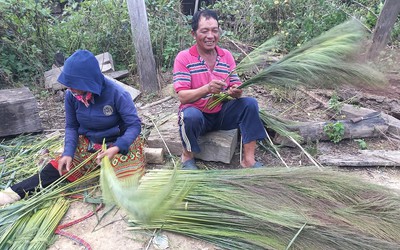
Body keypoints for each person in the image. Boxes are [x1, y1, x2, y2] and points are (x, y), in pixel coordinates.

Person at [0, 49, 145, 206]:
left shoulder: (117, 93)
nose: (69, 88)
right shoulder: (72, 96)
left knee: (123, 182)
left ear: (88, 81)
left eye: (74, 84)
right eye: (68, 84)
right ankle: (13, 193)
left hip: (118, 144)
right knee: (60, 166)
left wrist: (116, 147)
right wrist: (68, 152)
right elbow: (71, 127)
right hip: (89, 145)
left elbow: (134, 125)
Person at [173, 9, 266, 170]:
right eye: (204, 31)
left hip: (221, 114)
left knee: (250, 104)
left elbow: (235, 85)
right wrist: (207, 89)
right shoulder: (184, 57)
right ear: (193, 34)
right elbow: (183, 97)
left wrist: (235, 91)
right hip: (198, 117)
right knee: (189, 116)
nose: (210, 36)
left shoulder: (226, 56)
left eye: (214, 31)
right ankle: (187, 157)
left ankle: (248, 160)